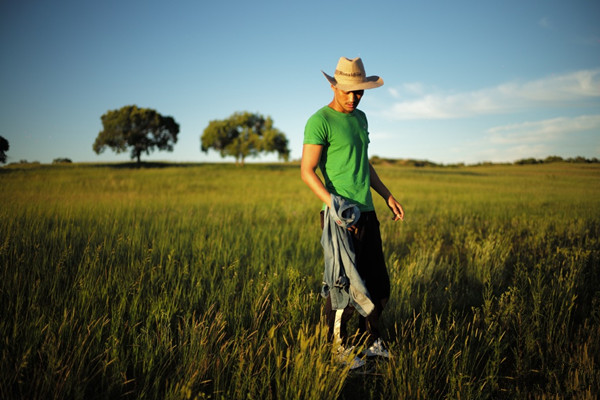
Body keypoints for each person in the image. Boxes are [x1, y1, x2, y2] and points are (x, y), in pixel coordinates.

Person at [301, 56, 404, 367]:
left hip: (368, 212)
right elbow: (307, 171)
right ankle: (338, 349)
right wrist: (335, 207)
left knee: (379, 285)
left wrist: (386, 195)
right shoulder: (320, 120)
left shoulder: (360, 118)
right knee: (343, 286)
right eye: (347, 91)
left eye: (358, 91)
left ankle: (370, 342)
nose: (352, 97)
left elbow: (364, 163)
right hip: (340, 216)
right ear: (334, 86)